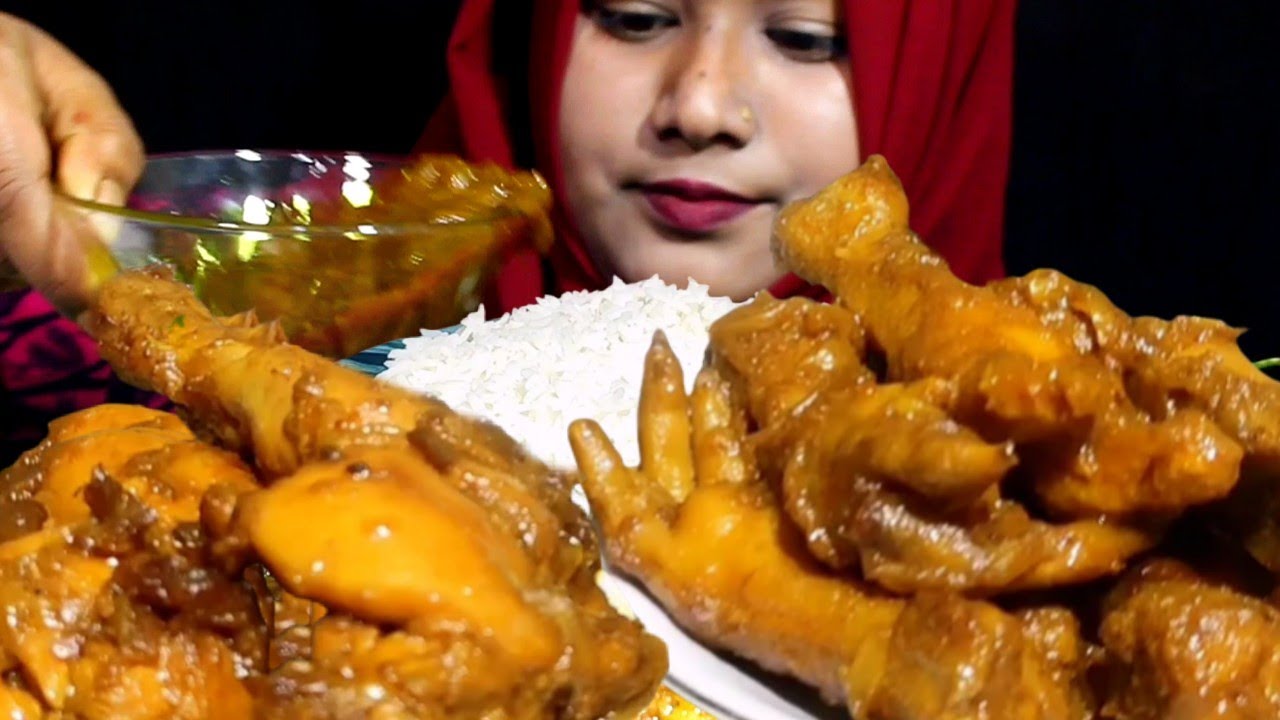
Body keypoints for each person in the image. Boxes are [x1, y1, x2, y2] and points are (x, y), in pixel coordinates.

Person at [0, 0, 1015, 462]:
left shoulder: (1032, 456)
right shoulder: (210, 283)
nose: (700, 105)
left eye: (802, 37)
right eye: (634, 19)